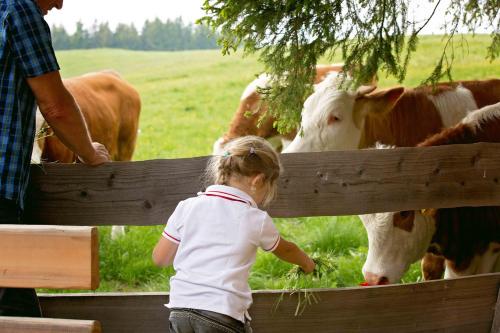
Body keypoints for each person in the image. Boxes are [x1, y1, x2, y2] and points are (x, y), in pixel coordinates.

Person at [0, 0, 111, 317]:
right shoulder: (20, 12)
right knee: (16, 314)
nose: (60, 5)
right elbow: (54, 105)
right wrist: (88, 152)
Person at [153, 135, 316, 333]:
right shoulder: (256, 218)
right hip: (222, 315)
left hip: (181, 311)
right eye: (269, 187)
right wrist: (307, 263)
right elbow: (287, 249)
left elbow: (160, 258)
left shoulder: (187, 207)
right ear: (258, 180)